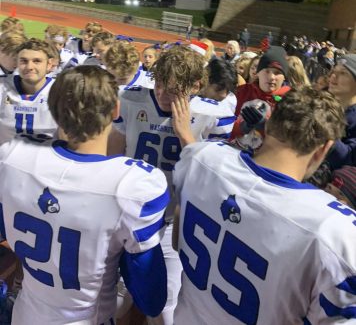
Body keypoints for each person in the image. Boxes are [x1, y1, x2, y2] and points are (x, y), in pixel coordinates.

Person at [0, 66, 168, 325]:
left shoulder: (12, 157)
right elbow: (150, 299)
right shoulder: (131, 185)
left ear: (53, 110)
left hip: (26, 314)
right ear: (115, 110)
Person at [172, 87, 356, 324]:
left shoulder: (202, 157)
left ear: (268, 126)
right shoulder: (334, 229)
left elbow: (178, 241)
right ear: (324, 149)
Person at [110, 45, 235, 325]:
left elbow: (211, 177)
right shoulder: (130, 99)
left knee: (166, 311)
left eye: (174, 89)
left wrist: (185, 135)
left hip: (172, 219)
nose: (163, 93)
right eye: (160, 84)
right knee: (115, 300)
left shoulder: (212, 115)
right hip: (128, 213)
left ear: (195, 86)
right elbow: (114, 156)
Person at [230, 46, 290, 151]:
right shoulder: (241, 92)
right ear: (258, 72)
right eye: (267, 71)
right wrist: (241, 127)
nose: (272, 77)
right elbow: (223, 125)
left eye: (277, 73)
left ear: (284, 76)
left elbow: (289, 141)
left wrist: (264, 127)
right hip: (234, 153)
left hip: (266, 160)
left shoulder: (290, 101)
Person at [0, 39, 58, 144]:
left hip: (46, 157)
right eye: (23, 61)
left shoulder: (61, 90)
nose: (29, 67)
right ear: (16, 62)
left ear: (49, 64)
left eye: (37, 61)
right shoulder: (2, 86)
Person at [326, 54, 356, 169]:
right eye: (334, 71)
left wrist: (323, 127)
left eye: (343, 73)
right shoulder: (327, 105)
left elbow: (348, 159)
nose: (333, 76)